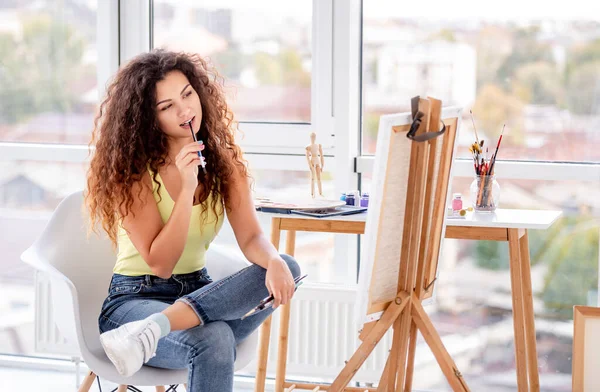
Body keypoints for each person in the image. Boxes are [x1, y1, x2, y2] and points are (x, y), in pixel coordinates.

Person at [85, 49, 301, 391]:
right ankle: (148, 328)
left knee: (287, 263)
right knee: (215, 339)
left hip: (200, 292)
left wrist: (272, 260)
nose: (185, 110)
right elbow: (162, 265)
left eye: (187, 94)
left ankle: (155, 330)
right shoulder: (134, 173)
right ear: (149, 118)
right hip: (134, 301)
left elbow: (250, 239)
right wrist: (185, 189)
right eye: (166, 106)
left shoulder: (224, 165)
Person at [305, 132, 324, 197]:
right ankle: (312, 194)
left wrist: (322, 165)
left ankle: (320, 193)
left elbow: (321, 156)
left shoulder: (318, 145)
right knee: (313, 178)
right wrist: (310, 165)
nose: (313, 138)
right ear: (310, 138)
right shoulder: (308, 147)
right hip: (312, 160)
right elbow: (307, 157)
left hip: (317, 160)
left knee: (319, 178)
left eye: (314, 137)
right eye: (312, 137)